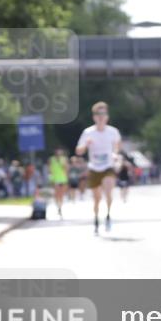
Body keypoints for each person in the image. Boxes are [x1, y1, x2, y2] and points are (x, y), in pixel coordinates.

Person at [75, 101, 121, 235]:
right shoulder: (88, 132)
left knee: (108, 191)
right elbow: (78, 151)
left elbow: (117, 146)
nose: (101, 116)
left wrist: (115, 154)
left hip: (108, 166)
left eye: (103, 114)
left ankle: (108, 215)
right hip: (94, 167)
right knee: (96, 198)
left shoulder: (113, 132)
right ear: (94, 117)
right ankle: (96, 219)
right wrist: (85, 145)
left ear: (107, 116)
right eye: (98, 114)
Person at [48, 148, 69, 219]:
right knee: (57, 193)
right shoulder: (52, 159)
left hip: (63, 178)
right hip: (55, 178)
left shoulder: (64, 159)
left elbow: (66, 168)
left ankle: (60, 207)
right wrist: (51, 177)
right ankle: (57, 206)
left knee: (61, 194)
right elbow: (49, 168)